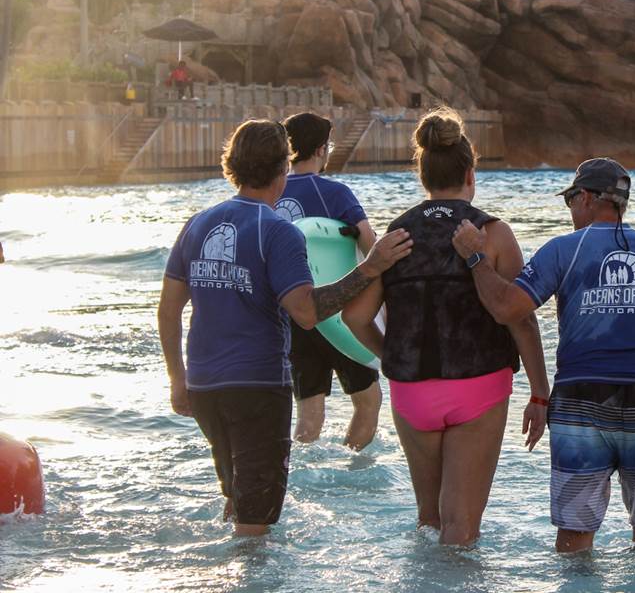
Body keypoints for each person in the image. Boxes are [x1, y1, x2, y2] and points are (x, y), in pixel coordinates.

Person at [157, 119, 413, 537]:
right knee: (255, 527)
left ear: (231, 165)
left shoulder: (197, 223)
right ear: (281, 167)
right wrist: (370, 269)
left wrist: (177, 378)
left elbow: (168, 311)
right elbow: (306, 312)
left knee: (236, 498)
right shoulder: (279, 232)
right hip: (256, 389)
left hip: (204, 387)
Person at [449, 157, 635, 553]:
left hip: (581, 401)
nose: (570, 209)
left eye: (570, 199)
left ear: (585, 197)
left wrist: (475, 258)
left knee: (575, 536)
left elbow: (506, 308)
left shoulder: (563, 250)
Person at [340, 107, 550, 546]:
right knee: (461, 528)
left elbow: (354, 317)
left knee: (429, 520)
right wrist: (539, 393)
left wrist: (390, 354)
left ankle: (421, 577)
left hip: (411, 391)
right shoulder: (492, 233)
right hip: (478, 385)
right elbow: (521, 319)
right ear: (471, 173)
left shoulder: (396, 235)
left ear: (423, 174)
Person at [275, 112, 381, 450]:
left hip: (294, 316)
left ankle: (299, 471)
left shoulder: (271, 193)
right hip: (337, 311)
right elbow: (370, 245)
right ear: (322, 149)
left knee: (309, 414)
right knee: (368, 400)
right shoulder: (334, 193)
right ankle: (353, 468)